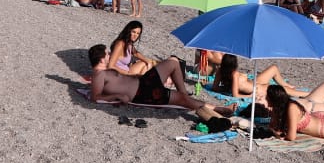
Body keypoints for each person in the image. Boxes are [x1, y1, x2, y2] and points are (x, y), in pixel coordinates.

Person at [88, 48, 227, 120]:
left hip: (144, 83)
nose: (110, 55)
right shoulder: (98, 75)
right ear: (101, 59)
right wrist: (117, 96)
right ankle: (215, 109)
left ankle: (184, 95)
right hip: (142, 93)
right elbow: (95, 97)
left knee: (173, 61)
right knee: (182, 98)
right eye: (107, 54)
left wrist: (139, 75)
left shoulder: (105, 71)